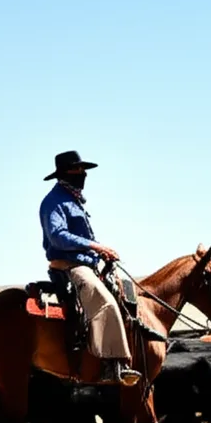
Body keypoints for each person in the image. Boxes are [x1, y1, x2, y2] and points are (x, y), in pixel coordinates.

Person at [39, 151, 141, 386]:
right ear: (65, 173)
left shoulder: (72, 200)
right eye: (78, 170)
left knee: (124, 291)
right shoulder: (53, 202)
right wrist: (96, 246)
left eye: (83, 170)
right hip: (70, 266)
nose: (83, 174)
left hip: (86, 262)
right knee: (105, 301)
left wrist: (98, 253)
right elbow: (57, 237)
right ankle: (111, 364)